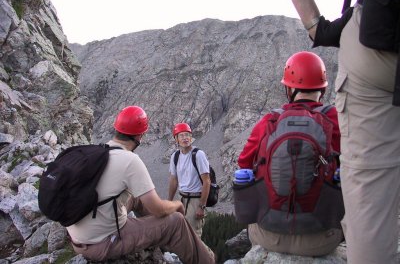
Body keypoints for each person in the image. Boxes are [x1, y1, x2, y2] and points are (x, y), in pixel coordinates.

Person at [277, 0, 400, 263]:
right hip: (321, 233)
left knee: (370, 216)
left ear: (289, 88)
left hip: (378, 28)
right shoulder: (328, 118)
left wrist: (315, 25)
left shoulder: (272, 122)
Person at [66, 106, 215, 263]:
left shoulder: (100, 151)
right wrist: (175, 204)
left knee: (136, 198)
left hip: (78, 237)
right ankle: (208, 261)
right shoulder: (130, 160)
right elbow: (157, 207)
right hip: (101, 243)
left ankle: (161, 233)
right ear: (140, 136)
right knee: (177, 221)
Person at [237, 51, 343, 256]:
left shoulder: (269, 121)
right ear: (322, 87)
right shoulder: (335, 119)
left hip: (269, 237)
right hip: (321, 240)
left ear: (289, 88)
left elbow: (243, 164)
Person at [168, 122, 211, 237]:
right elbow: (173, 180)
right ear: (176, 139)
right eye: (181, 135)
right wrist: (169, 201)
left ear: (191, 137)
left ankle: (205, 255)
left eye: (187, 135)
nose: (185, 138)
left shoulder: (198, 155)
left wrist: (201, 206)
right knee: (182, 233)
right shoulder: (175, 156)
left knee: (194, 235)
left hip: (195, 199)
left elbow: (207, 181)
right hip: (181, 198)